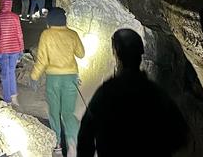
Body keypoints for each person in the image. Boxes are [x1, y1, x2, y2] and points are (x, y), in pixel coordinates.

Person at [77, 29, 188, 157]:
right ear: (140, 54)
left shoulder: (106, 93)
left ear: (116, 53)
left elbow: (86, 137)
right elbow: (180, 134)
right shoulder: (155, 93)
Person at [31, 8, 85, 157]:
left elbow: (42, 60)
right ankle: (72, 144)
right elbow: (81, 54)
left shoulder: (46, 35)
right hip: (71, 78)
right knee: (68, 113)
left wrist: (34, 76)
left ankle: (58, 146)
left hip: (53, 78)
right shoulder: (72, 34)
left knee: (54, 112)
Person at [0, 0, 24, 105]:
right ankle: (14, 97)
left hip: (2, 49)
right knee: (11, 72)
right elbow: (19, 34)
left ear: (1, 5)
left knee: (4, 74)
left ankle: (7, 100)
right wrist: (21, 48)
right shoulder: (15, 17)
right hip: (14, 49)